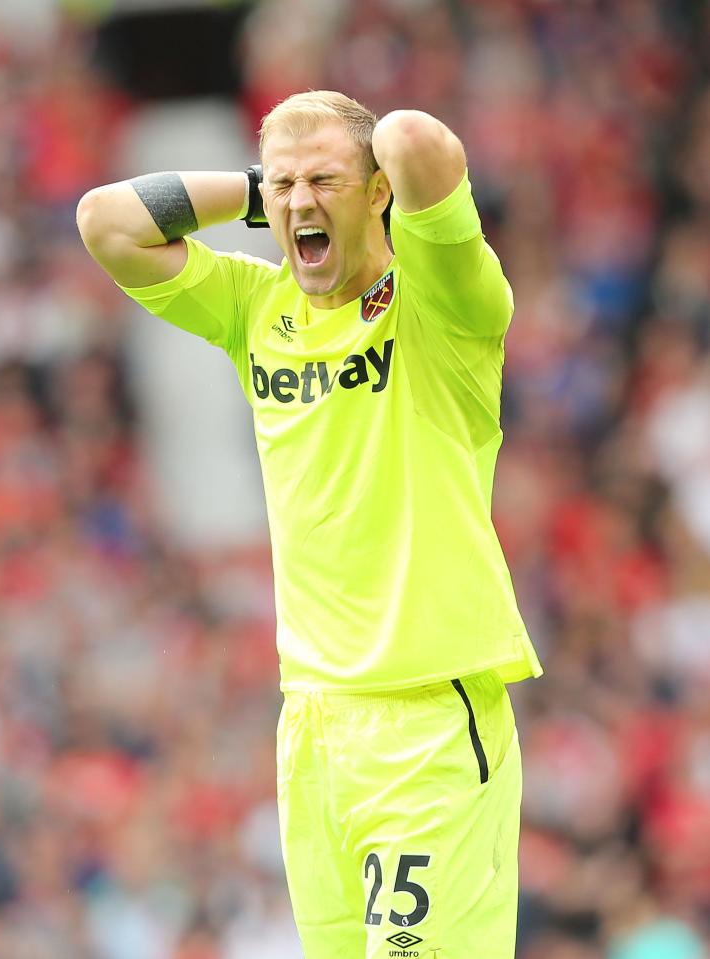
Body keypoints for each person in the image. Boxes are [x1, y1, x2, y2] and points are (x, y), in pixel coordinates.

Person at [77, 90, 543, 959]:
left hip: (428, 722)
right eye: (282, 185)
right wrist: (270, 191)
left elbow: (416, 140)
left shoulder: (443, 307)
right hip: (312, 729)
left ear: (378, 193)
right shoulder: (258, 311)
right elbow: (107, 222)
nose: (300, 202)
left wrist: (350, 170)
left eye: (326, 179)